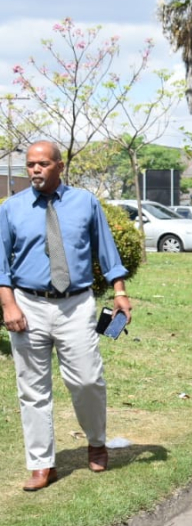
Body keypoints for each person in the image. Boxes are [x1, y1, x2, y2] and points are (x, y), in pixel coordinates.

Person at [0, 141, 132, 492]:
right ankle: (41, 464)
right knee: (32, 389)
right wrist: (8, 305)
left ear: (60, 166)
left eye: (43, 164)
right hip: (29, 304)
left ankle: (97, 442)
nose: (35, 170)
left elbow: (107, 250)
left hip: (76, 304)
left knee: (87, 379)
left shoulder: (85, 203)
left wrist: (119, 292)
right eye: (30, 164)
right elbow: (0, 263)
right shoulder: (11, 208)